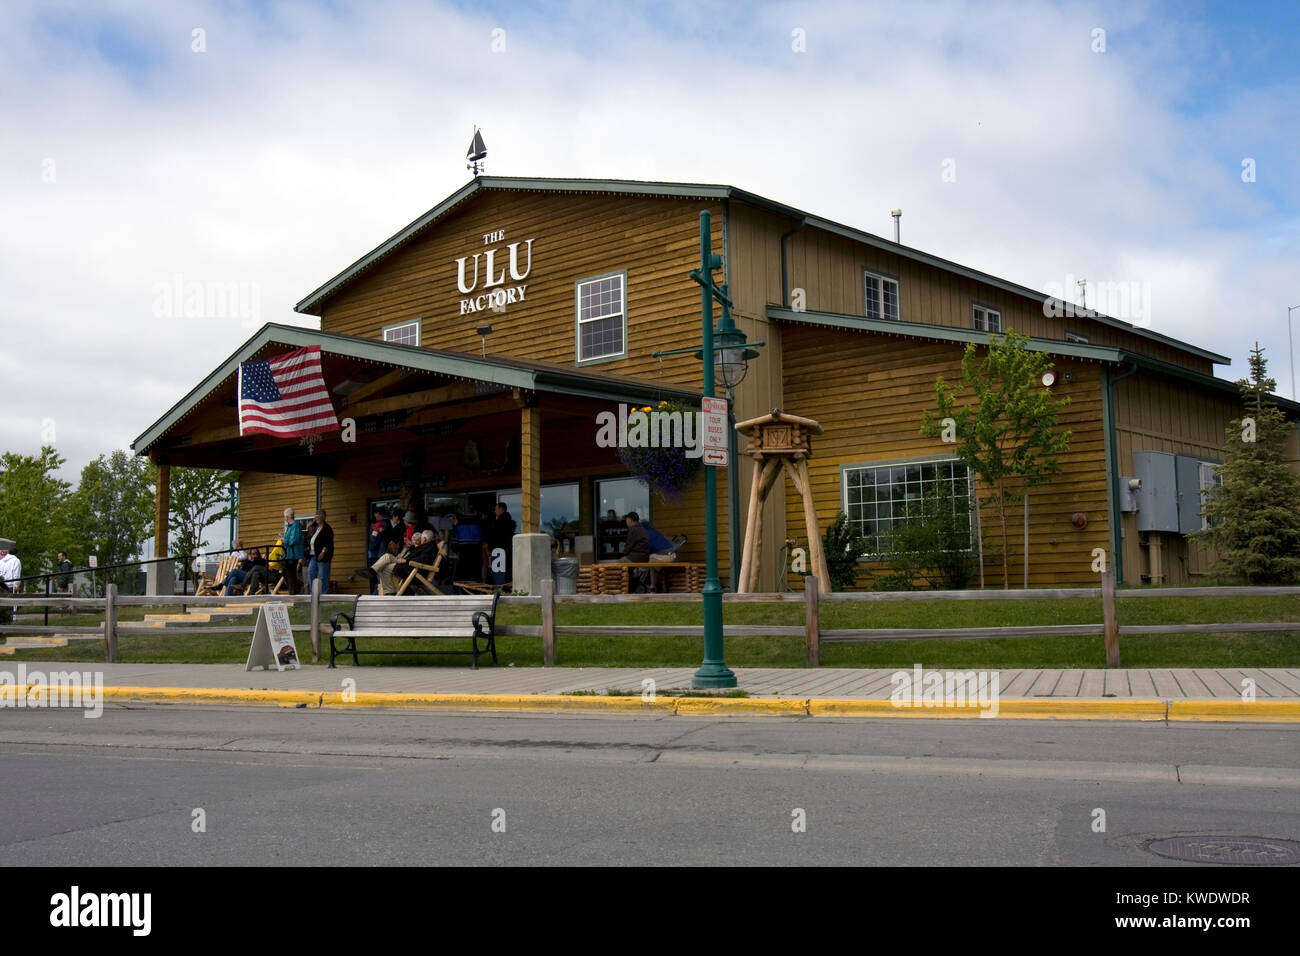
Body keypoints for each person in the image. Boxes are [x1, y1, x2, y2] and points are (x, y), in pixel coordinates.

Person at [307, 509, 334, 595]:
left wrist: (322, 553)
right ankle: (313, 594)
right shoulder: (315, 528)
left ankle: (323, 594)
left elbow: (328, 543)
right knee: (311, 572)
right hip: (313, 555)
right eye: (316, 516)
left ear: (323, 517)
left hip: (323, 556)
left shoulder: (327, 529)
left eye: (319, 516)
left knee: (323, 576)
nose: (316, 518)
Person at [623, 512, 652, 593]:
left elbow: (629, 545)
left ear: (630, 520)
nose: (626, 521)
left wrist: (624, 554)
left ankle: (622, 586)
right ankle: (633, 584)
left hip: (636, 557)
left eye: (627, 519)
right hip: (645, 557)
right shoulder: (643, 529)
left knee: (619, 563)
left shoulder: (633, 529)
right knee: (629, 567)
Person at [487, 502, 515, 583]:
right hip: (506, 551)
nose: (495, 511)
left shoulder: (499, 524)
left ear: (501, 509)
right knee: (506, 572)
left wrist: (490, 548)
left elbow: (496, 538)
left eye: (496, 509)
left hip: (499, 552)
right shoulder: (508, 523)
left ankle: (500, 589)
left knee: (499, 574)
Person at [280, 508, 302, 593]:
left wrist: (283, 539)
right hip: (288, 554)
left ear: (287, 516)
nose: (284, 518)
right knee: (286, 572)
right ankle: (294, 590)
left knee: (290, 573)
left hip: (293, 554)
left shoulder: (295, 525)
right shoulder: (289, 526)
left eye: (284, 516)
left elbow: (294, 540)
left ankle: (294, 592)